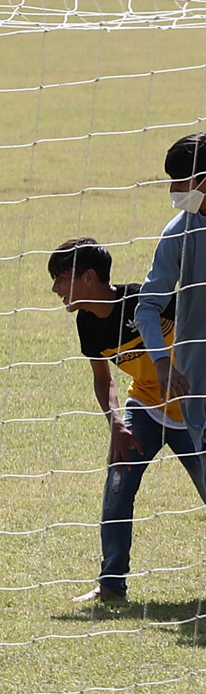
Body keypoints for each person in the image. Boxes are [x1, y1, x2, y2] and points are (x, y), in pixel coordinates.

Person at [47, 236, 201, 605]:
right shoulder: (88, 324)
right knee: (118, 486)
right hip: (146, 408)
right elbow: (104, 379)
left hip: (196, 411)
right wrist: (116, 422)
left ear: (88, 277)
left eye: (60, 278)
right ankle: (111, 584)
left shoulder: (146, 302)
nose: (55, 289)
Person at [135, 131, 206, 498]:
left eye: (180, 180)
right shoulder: (180, 233)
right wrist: (162, 361)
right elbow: (146, 307)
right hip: (200, 384)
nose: (174, 190)